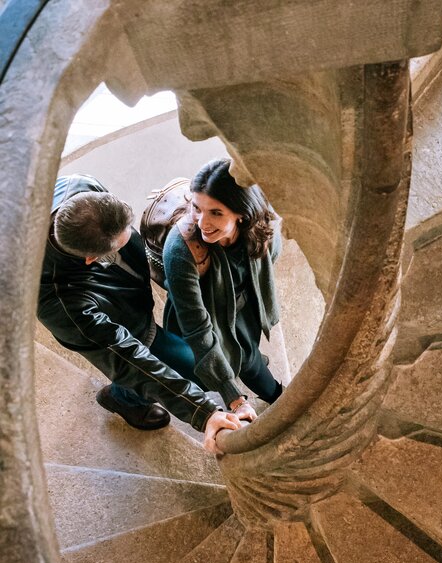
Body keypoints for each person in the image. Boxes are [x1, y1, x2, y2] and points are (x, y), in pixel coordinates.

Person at [38, 173, 254, 453]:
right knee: (192, 371)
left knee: (201, 354)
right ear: (91, 260)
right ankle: (123, 398)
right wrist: (204, 412)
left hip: (128, 299)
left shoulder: (78, 186)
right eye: (119, 245)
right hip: (126, 325)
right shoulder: (63, 307)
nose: (131, 239)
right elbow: (128, 358)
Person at [163, 158, 283, 417]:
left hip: (242, 307)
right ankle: (125, 395)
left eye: (216, 212)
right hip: (202, 311)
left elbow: (271, 258)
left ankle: (275, 393)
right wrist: (234, 398)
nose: (202, 223)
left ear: (243, 214)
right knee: (189, 372)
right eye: (197, 208)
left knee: (247, 355)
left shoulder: (261, 226)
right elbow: (196, 327)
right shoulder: (180, 249)